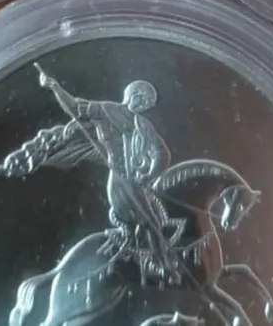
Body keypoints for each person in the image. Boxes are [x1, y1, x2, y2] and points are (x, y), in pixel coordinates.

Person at [34, 67, 183, 284]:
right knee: (149, 222)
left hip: (136, 181)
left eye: (148, 104)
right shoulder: (105, 109)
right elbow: (75, 107)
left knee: (153, 222)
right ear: (132, 95)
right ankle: (162, 266)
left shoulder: (143, 125)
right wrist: (55, 87)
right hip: (119, 181)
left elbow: (162, 152)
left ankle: (148, 257)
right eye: (142, 99)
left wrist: (149, 174)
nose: (144, 105)